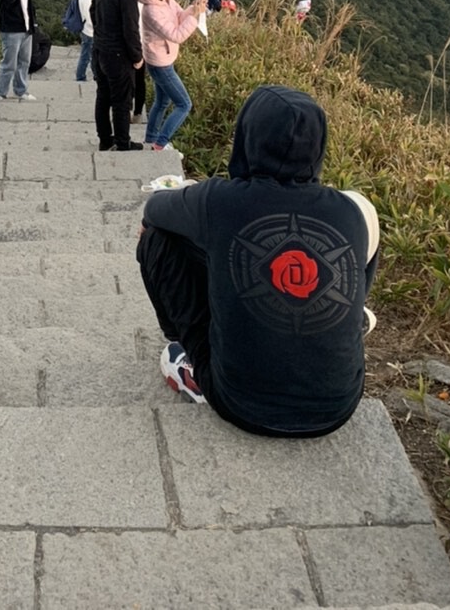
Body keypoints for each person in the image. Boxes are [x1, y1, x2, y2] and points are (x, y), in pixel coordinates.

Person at [137, 85, 380, 437]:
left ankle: (188, 355)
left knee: (156, 238)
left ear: (247, 136)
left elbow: (154, 210)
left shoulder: (219, 200)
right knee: (362, 236)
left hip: (240, 403)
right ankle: (350, 320)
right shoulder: (352, 208)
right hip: (338, 406)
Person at [133, 0, 206, 151]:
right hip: (160, 63)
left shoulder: (165, 0)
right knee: (184, 104)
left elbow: (179, 17)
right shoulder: (151, 11)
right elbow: (177, 34)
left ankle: (151, 139)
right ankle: (160, 144)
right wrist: (195, 17)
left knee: (162, 101)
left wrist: (193, 8)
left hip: (164, 59)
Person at [90, 0, 145, 151]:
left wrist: (100, 34)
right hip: (119, 53)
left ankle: (105, 139)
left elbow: (93, 11)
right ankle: (122, 142)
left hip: (100, 48)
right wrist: (137, 56)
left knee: (103, 96)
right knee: (122, 100)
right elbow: (130, 26)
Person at [131, 0, 150, 122]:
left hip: (129, 43)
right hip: (145, 45)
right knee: (140, 80)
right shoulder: (151, 0)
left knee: (128, 79)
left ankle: (127, 109)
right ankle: (138, 112)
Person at [74, 0, 98, 83]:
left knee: (91, 55)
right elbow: (89, 17)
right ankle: (80, 76)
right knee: (86, 55)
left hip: (88, 30)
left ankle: (94, 75)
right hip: (89, 31)